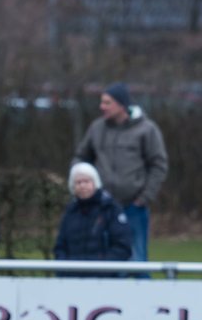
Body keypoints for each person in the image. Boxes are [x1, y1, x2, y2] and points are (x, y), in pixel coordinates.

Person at [72, 82, 168, 262]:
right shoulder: (96, 128)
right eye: (102, 102)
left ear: (121, 105)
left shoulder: (147, 129)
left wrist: (144, 198)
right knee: (101, 260)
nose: (102, 107)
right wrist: (81, 181)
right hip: (101, 207)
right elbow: (81, 157)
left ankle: (142, 290)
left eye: (107, 103)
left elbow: (159, 165)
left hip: (133, 208)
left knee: (137, 259)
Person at [53, 162, 133, 275]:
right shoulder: (70, 213)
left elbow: (122, 246)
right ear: (73, 187)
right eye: (78, 182)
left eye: (86, 181)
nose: (82, 185)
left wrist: (103, 269)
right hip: (72, 279)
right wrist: (65, 269)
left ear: (95, 183)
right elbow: (60, 247)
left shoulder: (111, 209)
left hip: (105, 280)